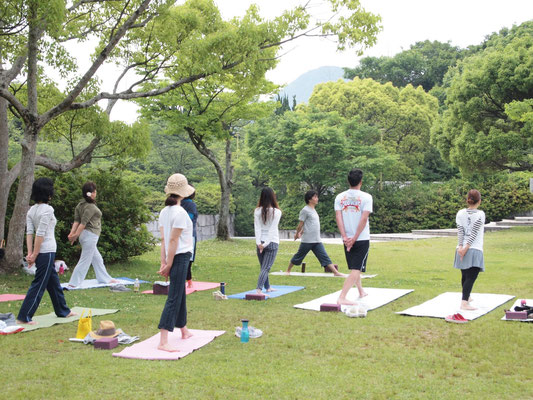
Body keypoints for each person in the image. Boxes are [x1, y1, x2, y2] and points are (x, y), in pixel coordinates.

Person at [17, 178, 76, 325]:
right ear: (48, 193)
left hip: (41, 251)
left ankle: (63, 310)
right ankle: (24, 316)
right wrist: (34, 255)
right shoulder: (48, 210)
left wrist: (30, 253)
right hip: (46, 251)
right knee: (39, 284)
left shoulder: (32, 210)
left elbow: (29, 233)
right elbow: (39, 234)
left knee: (53, 282)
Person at [157, 173, 195, 352]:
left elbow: (164, 240)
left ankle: (183, 329)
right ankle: (163, 340)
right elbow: (172, 240)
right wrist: (169, 264)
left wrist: (164, 261)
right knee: (174, 296)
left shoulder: (165, 211)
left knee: (179, 293)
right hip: (179, 257)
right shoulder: (180, 212)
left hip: (175, 256)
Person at [67, 182, 118, 288]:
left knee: (97, 258)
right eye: (94, 191)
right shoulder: (90, 207)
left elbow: (77, 221)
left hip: (86, 236)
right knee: (85, 259)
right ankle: (74, 283)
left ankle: (105, 278)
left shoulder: (80, 205)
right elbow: (82, 223)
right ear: (92, 193)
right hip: (90, 235)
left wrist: (72, 234)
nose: (96, 193)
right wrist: (74, 235)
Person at [334, 169, 373, 305]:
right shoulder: (367, 197)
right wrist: (354, 238)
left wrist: (345, 237)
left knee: (355, 268)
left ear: (348, 181)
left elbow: (338, 217)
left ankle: (361, 291)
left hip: (347, 239)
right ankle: (342, 297)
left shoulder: (339, 197)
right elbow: (364, 219)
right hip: (361, 239)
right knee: (356, 269)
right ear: (361, 182)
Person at [286, 190, 345, 277]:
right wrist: (297, 234)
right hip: (308, 240)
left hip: (316, 240)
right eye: (315, 197)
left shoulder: (313, 210)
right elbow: (300, 225)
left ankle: (335, 272)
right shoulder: (305, 210)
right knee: (299, 256)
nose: (317, 199)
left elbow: (308, 224)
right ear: (309, 199)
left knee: (324, 256)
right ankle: (288, 270)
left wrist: (301, 232)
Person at [454, 189, 485, 311]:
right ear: (479, 201)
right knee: (471, 276)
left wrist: (461, 247)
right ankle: (464, 303)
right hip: (474, 249)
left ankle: (467, 297)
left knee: (465, 275)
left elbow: (460, 231)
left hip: (461, 248)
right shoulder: (480, 214)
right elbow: (474, 233)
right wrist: (466, 248)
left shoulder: (460, 213)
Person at [254, 187, 282, 295]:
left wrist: (259, 243)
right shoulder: (277, 212)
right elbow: (272, 229)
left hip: (260, 242)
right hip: (272, 243)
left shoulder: (257, 211)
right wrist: (264, 244)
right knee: (265, 268)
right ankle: (259, 289)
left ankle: (268, 287)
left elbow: (257, 228)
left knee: (263, 267)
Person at [181, 190, 198, 289]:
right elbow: (189, 219)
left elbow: (189, 218)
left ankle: (188, 280)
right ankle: (189, 281)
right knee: (188, 259)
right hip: (189, 235)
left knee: (185, 259)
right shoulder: (191, 205)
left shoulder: (181, 204)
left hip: (185, 234)